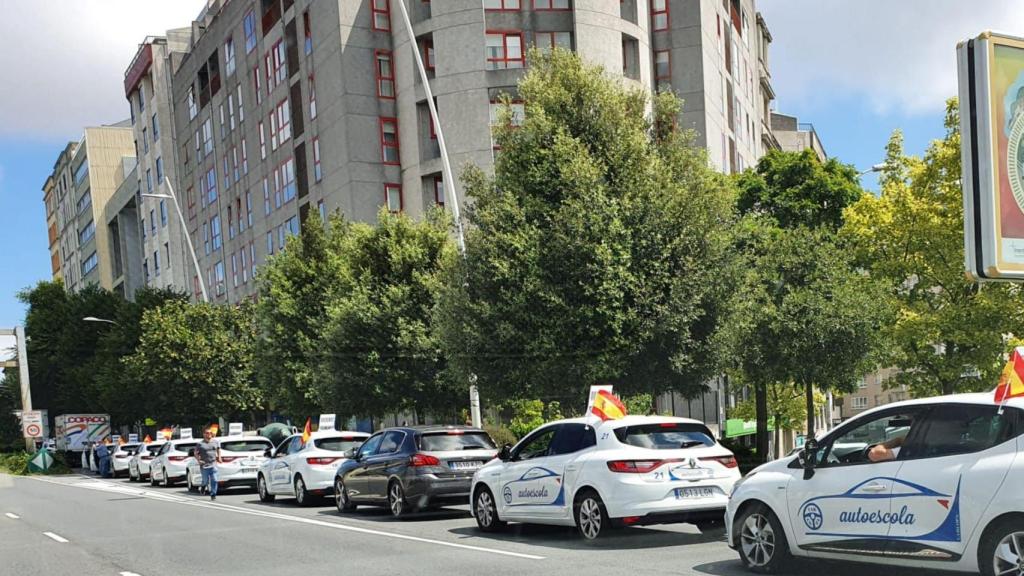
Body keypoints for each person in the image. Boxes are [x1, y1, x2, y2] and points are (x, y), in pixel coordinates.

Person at [194, 429, 222, 500]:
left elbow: (218, 449)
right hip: (204, 465)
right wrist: (199, 460)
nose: (209, 434)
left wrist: (219, 457)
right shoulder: (200, 444)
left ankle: (213, 494)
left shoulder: (216, 442)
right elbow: (195, 453)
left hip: (213, 463)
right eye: (207, 433)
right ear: (204, 434)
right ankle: (203, 486)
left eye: (210, 433)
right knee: (205, 480)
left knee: (214, 480)